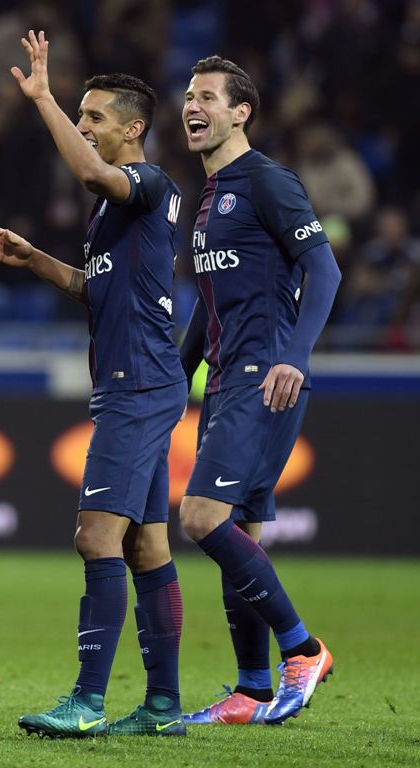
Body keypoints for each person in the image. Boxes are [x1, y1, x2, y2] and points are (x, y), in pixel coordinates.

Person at [0, 30, 187, 738]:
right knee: (144, 546)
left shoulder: (146, 183)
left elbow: (96, 175)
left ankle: (87, 702)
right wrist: (35, 258)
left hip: (138, 386)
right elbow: (94, 290)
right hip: (140, 382)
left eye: (94, 117)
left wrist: (42, 102)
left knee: (96, 538)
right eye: (80, 114)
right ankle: (163, 707)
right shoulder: (112, 216)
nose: (85, 126)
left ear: (132, 129)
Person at [177, 56, 341, 726]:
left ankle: (302, 649)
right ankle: (250, 691)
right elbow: (208, 304)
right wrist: (173, 374)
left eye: (207, 97)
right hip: (224, 379)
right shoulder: (211, 198)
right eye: (188, 96)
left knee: (200, 517)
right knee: (238, 531)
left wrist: (295, 358)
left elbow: (323, 269)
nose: (192, 106)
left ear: (241, 112)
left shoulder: (267, 181)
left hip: (265, 375)